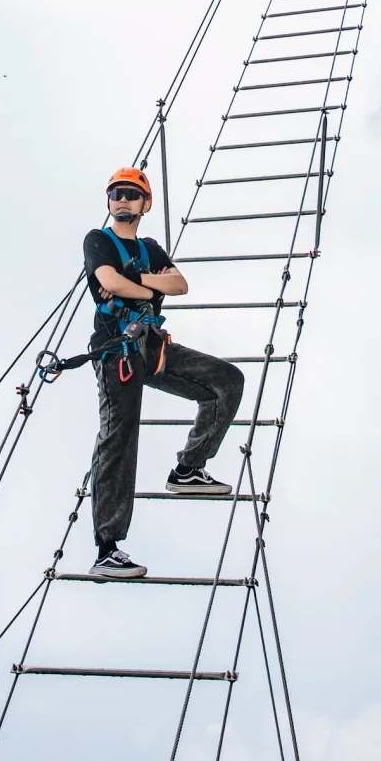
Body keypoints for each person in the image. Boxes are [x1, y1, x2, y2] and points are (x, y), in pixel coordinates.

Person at [83, 168, 245, 580]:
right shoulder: (98, 241)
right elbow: (107, 280)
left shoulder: (150, 247)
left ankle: (188, 469)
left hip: (153, 347)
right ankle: (108, 548)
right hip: (116, 350)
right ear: (109, 202)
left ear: (145, 204)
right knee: (119, 437)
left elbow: (180, 285)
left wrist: (136, 284)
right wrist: (150, 287)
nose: (122, 200)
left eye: (131, 195)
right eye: (116, 194)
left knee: (226, 381)